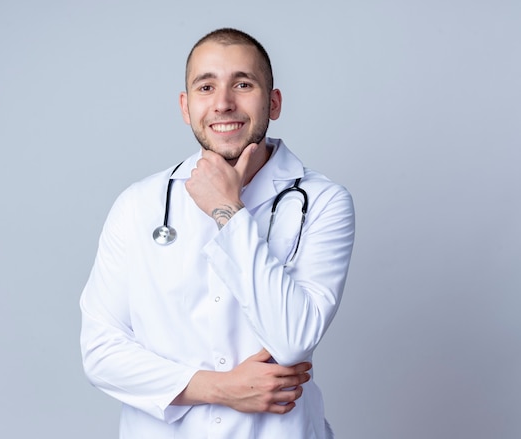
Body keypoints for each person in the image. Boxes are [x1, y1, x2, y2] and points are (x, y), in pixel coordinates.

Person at [80, 27, 355, 439]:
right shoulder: (138, 205)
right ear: (186, 106)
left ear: (274, 102)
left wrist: (227, 211)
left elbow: (294, 339)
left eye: (243, 84)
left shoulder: (323, 201)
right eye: (206, 87)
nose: (223, 103)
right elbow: (101, 354)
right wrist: (222, 389)